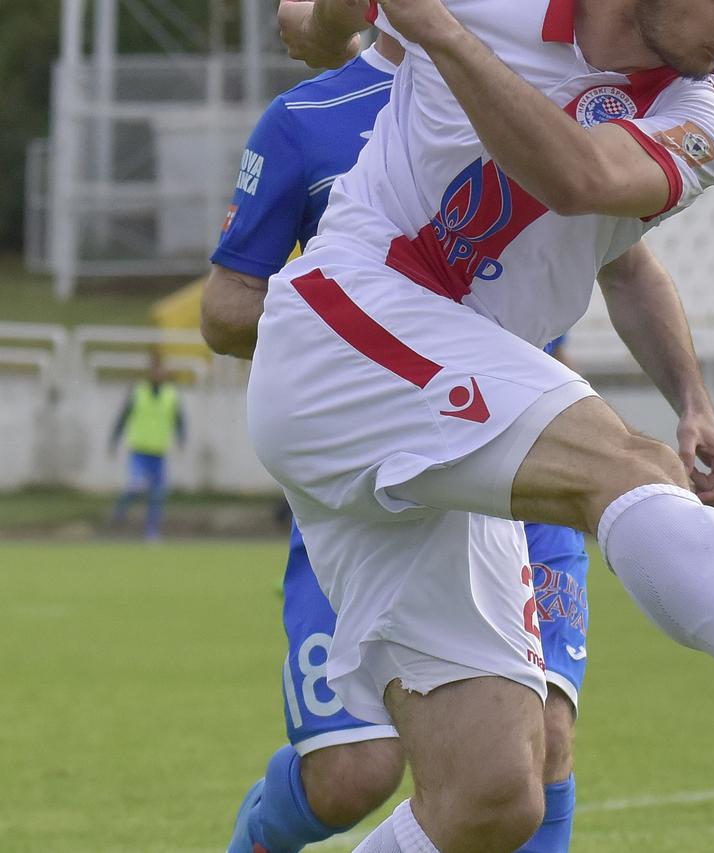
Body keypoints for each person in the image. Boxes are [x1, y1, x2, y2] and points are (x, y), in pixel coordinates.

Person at [260, 1, 714, 849]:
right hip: (346, 326)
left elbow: (583, 183)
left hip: (439, 401)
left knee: (493, 796)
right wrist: (327, 27)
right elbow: (324, 22)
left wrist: (436, 34)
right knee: (627, 462)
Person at [203, 32, 587, 852]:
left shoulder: (540, 96)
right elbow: (224, 309)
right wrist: (357, 320)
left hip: (528, 458)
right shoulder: (308, 120)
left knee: (542, 746)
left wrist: (692, 400)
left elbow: (624, 264)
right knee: (353, 774)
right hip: (384, 468)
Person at [109, 349, 186, 541]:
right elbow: (123, 416)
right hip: (140, 450)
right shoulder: (138, 391)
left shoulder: (171, 394)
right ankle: (119, 513)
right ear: (150, 372)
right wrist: (114, 440)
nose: (159, 374)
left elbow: (179, 419)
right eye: (156, 370)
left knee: (158, 495)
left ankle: (152, 532)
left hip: (159, 451)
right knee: (136, 486)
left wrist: (181, 438)